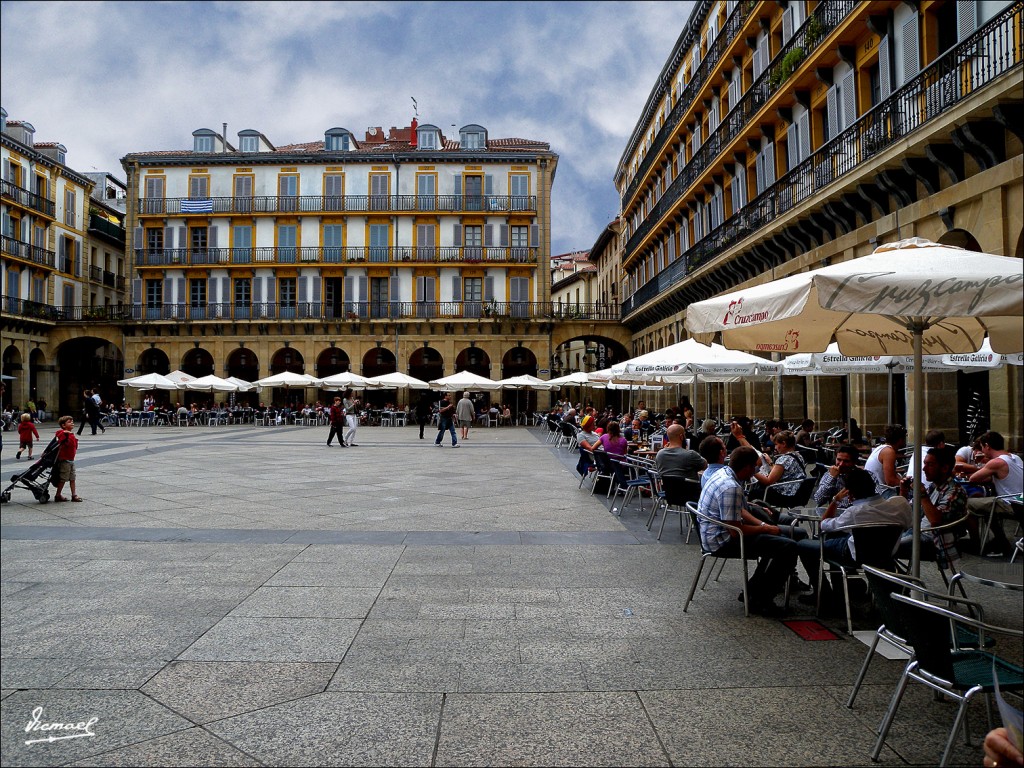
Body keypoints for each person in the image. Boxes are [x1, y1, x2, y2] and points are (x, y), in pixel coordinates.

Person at [696, 446, 799, 616]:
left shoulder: (723, 473)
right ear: (747, 467)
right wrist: (764, 528)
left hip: (714, 535)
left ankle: (753, 590)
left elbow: (738, 513)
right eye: (755, 468)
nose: (756, 472)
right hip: (722, 541)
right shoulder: (730, 487)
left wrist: (764, 527)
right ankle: (762, 600)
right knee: (788, 547)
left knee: (780, 539)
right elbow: (736, 531)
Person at [796, 467, 912, 607]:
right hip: (886, 553)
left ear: (849, 492)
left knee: (805, 545)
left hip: (855, 554)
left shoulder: (855, 512)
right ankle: (850, 587)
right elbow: (906, 520)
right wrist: (903, 492)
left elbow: (824, 525)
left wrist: (835, 500)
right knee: (837, 538)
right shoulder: (900, 504)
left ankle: (823, 593)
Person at [897, 445, 967, 569]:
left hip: (935, 542)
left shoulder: (955, 491)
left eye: (930, 465)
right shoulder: (934, 486)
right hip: (916, 531)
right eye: (924, 464)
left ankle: (896, 584)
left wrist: (923, 494)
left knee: (882, 549)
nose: (924, 469)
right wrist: (903, 491)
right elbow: (910, 512)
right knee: (878, 543)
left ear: (944, 468)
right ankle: (897, 583)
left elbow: (936, 521)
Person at [964, 431, 1023, 555]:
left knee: (968, 503)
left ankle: (976, 544)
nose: (982, 450)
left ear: (987, 446)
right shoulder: (1015, 458)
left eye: (982, 447)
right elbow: (1003, 477)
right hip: (1020, 501)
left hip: (1011, 504)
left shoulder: (997, 462)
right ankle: (1000, 540)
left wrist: (981, 466)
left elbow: (973, 479)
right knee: (985, 505)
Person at [749, 430, 808, 504]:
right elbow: (780, 472)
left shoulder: (783, 459)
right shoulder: (798, 456)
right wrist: (770, 462)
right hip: (797, 491)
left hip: (786, 494)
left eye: (776, 444)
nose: (775, 447)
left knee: (754, 493)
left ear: (783, 444)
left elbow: (768, 481)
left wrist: (752, 471)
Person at [813, 444, 860, 509]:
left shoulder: (863, 476)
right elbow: (818, 500)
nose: (841, 464)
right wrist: (832, 478)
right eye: (839, 460)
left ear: (854, 462)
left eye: (846, 461)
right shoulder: (830, 474)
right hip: (836, 515)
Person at [865, 424, 907, 494]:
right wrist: (910, 486)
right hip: (879, 492)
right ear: (900, 440)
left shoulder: (881, 448)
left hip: (873, 489)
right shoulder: (889, 452)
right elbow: (890, 481)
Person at [52, 415, 83, 502]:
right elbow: (62, 440)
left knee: (72, 478)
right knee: (63, 478)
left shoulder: (70, 434)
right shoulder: (63, 434)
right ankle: (58, 495)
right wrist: (66, 435)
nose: (72, 423)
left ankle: (74, 495)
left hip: (71, 460)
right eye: (69, 422)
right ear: (63, 425)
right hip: (64, 460)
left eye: (72, 421)